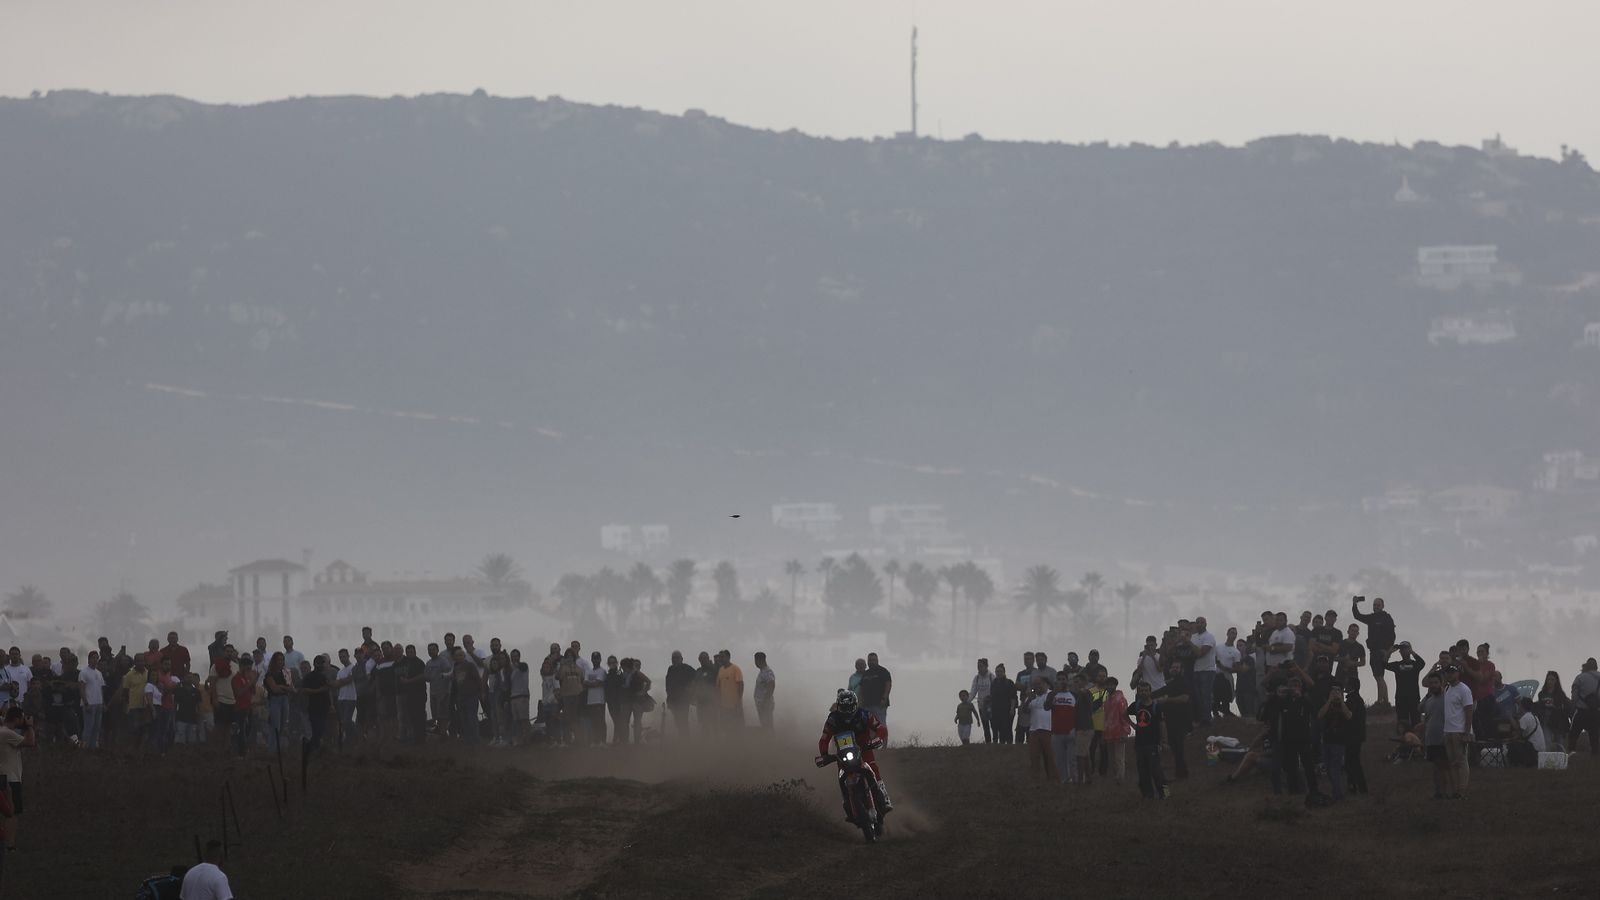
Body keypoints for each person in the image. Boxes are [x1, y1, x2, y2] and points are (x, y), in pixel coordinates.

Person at [816, 690, 891, 822]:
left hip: (864, 749)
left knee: (873, 768)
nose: (846, 711)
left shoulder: (864, 714)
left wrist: (877, 739)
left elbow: (881, 728)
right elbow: (824, 738)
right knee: (841, 776)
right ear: (838, 706)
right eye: (843, 707)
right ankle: (848, 804)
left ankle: (884, 798)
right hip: (843, 753)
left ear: (855, 705)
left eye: (848, 707)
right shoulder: (833, 719)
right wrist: (824, 755)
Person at [1351, 596, 1396, 707]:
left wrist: (1387, 651)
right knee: (1379, 676)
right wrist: (1354, 604)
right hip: (1375, 651)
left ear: (1382, 606)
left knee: (1379, 676)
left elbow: (1392, 636)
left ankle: (1380, 701)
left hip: (1380, 652)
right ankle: (1385, 702)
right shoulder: (1371, 618)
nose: (1375, 607)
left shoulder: (1387, 618)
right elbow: (1357, 616)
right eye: (1374, 605)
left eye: (1378, 605)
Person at [0, 708, 34, 851]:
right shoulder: (7, 733)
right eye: (22, 718)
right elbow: (31, 742)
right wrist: (30, 726)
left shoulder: (2, 731)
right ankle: (9, 845)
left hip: (4, 774)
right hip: (10, 778)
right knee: (11, 813)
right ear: (17, 719)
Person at [1153, 660, 1191, 779]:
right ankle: (1182, 772)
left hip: (1180, 720)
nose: (1174, 669)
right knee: (1175, 747)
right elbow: (1161, 691)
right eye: (1173, 667)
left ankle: (1180, 774)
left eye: (1177, 667)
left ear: (1182, 670)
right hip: (1170, 720)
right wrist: (1146, 694)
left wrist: (1166, 701)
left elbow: (1185, 698)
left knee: (1178, 747)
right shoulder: (1172, 683)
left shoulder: (1183, 682)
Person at [1441, 665, 1475, 799]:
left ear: (1458, 673)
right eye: (1447, 673)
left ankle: (1462, 790)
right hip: (1448, 730)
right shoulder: (1448, 689)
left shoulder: (1464, 690)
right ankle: (1455, 789)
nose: (1449, 675)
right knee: (1452, 762)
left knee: (1461, 761)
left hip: (1459, 731)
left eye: (1452, 672)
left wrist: (1467, 732)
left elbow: (1469, 711)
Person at [1129, 682, 1165, 799]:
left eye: (1146, 690)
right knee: (1143, 773)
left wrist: (1163, 741)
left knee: (1157, 771)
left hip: (1153, 744)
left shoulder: (1156, 706)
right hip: (1139, 744)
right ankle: (1148, 795)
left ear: (1150, 691)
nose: (1143, 693)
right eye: (1141, 691)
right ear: (1138, 692)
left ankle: (1165, 793)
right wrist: (1133, 725)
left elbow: (1161, 724)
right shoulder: (1136, 705)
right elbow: (1124, 714)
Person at [1418, 674, 1449, 798]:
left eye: (1436, 682)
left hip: (1444, 737)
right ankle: (1438, 792)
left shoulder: (1447, 698)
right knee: (1436, 767)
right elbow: (1419, 708)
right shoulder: (1429, 700)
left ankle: (1447, 791)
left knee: (1445, 766)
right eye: (1431, 683)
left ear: (1441, 683)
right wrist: (1427, 695)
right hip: (1431, 738)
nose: (1433, 685)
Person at [1385, 642, 1426, 735]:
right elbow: (1384, 664)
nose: (1404, 651)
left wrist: (1412, 652)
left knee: (1416, 721)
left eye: (1405, 648)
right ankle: (1404, 742)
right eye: (1402, 649)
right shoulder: (1397, 665)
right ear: (1400, 652)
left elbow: (1422, 663)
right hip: (1400, 697)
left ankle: (1418, 743)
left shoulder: (1415, 664)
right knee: (1402, 723)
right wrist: (1389, 652)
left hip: (1414, 697)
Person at [1044, 673, 1077, 784]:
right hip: (1057, 732)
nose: (1061, 681)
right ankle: (1064, 780)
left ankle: (1075, 779)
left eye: (1063, 679)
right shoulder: (1052, 695)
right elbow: (1046, 707)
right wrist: (1054, 692)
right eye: (1059, 679)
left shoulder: (1073, 695)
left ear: (1067, 681)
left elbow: (1078, 713)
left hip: (1071, 731)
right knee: (1059, 759)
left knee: (1072, 758)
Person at [1022, 680, 1056, 781]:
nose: (1038, 687)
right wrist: (1028, 699)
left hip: (1047, 729)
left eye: (1040, 684)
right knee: (1034, 756)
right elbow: (1025, 710)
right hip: (1034, 730)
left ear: (1046, 684)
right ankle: (1035, 778)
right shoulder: (1032, 697)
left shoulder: (1050, 694)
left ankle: (1052, 778)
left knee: (1049, 755)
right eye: (1035, 685)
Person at [300, 655, 332, 755]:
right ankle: (311, 749)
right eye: (320, 663)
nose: (322, 665)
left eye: (323, 663)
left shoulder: (324, 676)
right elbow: (305, 690)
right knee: (316, 730)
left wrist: (331, 705)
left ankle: (314, 750)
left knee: (321, 729)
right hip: (313, 707)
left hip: (324, 707)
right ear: (315, 664)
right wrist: (319, 690)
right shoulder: (309, 677)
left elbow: (328, 691)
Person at [1101, 677, 1130, 784]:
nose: (1109, 687)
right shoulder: (1107, 699)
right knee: (1112, 759)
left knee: (1119, 758)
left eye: (1111, 684)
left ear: (1115, 685)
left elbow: (1124, 716)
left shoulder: (1120, 699)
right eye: (1107, 685)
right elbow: (1105, 718)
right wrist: (1104, 733)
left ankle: (1120, 779)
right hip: (1109, 733)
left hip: (1119, 732)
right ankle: (1115, 779)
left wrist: (1125, 731)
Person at [1189, 616, 1218, 726]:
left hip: (1207, 670)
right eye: (1197, 622)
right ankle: (1200, 718)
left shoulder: (1209, 637)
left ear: (1205, 624)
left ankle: (1207, 719)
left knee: (1206, 695)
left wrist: (1189, 643)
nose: (1199, 624)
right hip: (1195, 670)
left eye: (1201, 622)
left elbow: (1201, 653)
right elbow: (1189, 653)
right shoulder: (1193, 637)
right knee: (1197, 696)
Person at [1343, 677, 1369, 794]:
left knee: (1352, 762)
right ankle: (1354, 786)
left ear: (1351, 686)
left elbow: (1349, 717)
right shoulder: (1357, 699)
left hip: (1352, 736)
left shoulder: (1353, 699)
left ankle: (1358, 787)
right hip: (1356, 736)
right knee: (1352, 761)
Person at [1535, 671, 1571, 752]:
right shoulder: (1542, 693)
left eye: (1552, 680)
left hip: (1558, 720)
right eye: (1549, 679)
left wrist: (1554, 706)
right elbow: (1540, 706)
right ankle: (1547, 760)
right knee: (1547, 741)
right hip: (1546, 719)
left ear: (1556, 681)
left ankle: (1560, 761)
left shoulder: (1560, 694)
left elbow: (1564, 707)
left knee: (1560, 742)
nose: (1550, 682)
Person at [663, 651, 697, 738]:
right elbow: (668, 684)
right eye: (673, 658)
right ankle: (682, 739)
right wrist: (668, 698)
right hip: (672, 699)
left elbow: (696, 677)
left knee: (683, 720)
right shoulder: (670, 669)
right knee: (677, 720)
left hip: (683, 699)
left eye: (677, 658)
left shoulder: (687, 668)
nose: (675, 660)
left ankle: (685, 741)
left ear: (682, 659)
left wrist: (691, 689)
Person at [1571, 658, 1600, 755]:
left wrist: (1573, 707)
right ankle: (1595, 757)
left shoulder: (1580, 678)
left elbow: (1574, 696)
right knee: (1594, 736)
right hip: (1596, 712)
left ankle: (1571, 754)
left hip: (1582, 712)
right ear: (1597, 666)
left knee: (1573, 735)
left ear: (1587, 666)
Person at [79, 651, 107, 749]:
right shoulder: (84, 672)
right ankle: (84, 746)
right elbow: (82, 689)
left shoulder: (99, 673)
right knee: (88, 727)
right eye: (93, 658)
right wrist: (86, 703)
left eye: (96, 658)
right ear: (89, 659)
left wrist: (103, 702)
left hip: (98, 703)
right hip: (89, 703)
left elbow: (101, 689)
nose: (95, 660)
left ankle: (93, 746)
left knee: (97, 727)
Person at [858, 652, 891, 732]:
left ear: (877, 660)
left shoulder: (883, 671)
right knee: (868, 726)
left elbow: (888, 685)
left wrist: (884, 698)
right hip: (866, 705)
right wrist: (860, 702)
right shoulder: (865, 674)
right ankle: (872, 744)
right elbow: (861, 688)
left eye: (873, 660)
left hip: (879, 704)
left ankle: (883, 744)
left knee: (881, 725)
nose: (871, 662)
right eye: (870, 660)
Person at [424, 643, 452, 730]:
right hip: (433, 692)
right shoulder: (428, 663)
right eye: (429, 650)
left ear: (437, 650)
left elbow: (449, 674)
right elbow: (427, 678)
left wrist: (446, 691)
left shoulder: (443, 661)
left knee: (443, 714)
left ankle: (443, 732)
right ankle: (439, 730)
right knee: (435, 713)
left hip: (443, 692)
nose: (431, 651)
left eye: (433, 649)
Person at [716, 650, 745, 729]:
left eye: (722, 657)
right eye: (720, 657)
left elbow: (741, 685)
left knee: (737, 728)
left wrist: (738, 701)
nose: (720, 659)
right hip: (724, 706)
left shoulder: (736, 669)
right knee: (727, 728)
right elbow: (718, 686)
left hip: (735, 706)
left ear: (728, 657)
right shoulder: (721, 670)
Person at [988, 663, 1016, 745]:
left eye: (1000, 671)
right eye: (997, 671)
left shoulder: (1009, 682)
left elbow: (1013, 697)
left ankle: (1010, 746)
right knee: (998, 729)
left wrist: (1012, 708)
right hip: (996, 710)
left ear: (1004, 672)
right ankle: (1001, 746)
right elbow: (992, 697)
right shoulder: (993, 683)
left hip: (1007, 710)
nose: (998, 673)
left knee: (1007, 728)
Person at [969, 659, 994, 743]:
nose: (979, 668)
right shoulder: (976, 678)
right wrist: (967, 701)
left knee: (994, 725)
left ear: (986, 666)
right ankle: (988, 743)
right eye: (978, 666)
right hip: (981, 705)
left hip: (991, 705)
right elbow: (973, 691)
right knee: (985, 726)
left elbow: (995, 690)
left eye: (981, 666)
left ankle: (996, 743)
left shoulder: (991, 676)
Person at [753, 652, 776, 731]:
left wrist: (765, 701)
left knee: (768, 726)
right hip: (762, 705)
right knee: (765, 726)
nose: (755, 663)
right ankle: (768, 741)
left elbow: (771, 685)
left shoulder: (767, 671)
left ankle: (770, 742)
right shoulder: (762, 672)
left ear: (758, 660)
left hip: (765, 705)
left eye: (755, 661)